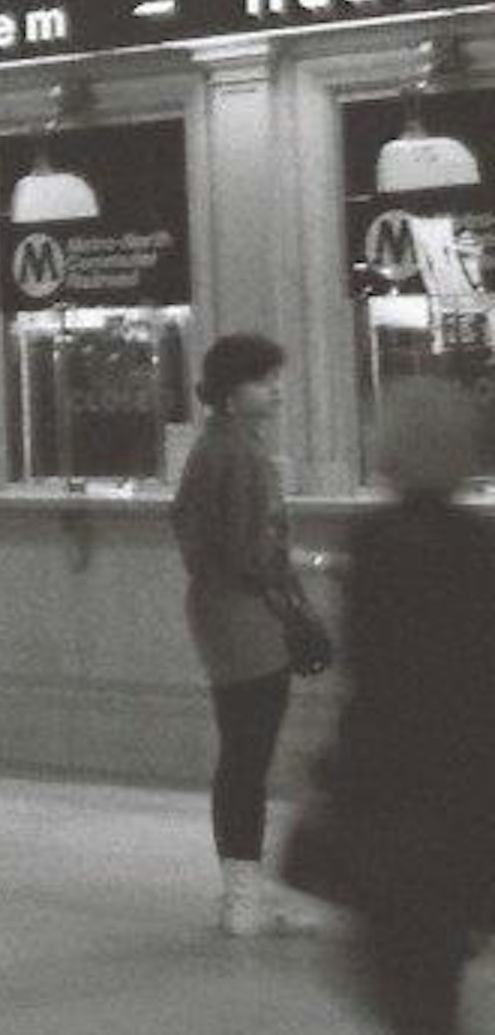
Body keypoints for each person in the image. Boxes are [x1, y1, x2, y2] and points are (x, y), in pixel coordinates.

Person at [307, 380, 495, 1035]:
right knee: (430, 978)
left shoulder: (381, 540)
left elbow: (376, 683)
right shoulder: (480, 542)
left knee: (391, 975)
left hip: (400, 800)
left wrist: (339, 779)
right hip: (470, 797)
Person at [174, 332, 329, 938]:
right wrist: (312, 566)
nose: (277, 389)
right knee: (248, 753)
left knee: (244, 751)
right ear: (233, 393)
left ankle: (245, 890)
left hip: (226, 614)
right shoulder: (235, 453)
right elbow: (248, 550)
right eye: (265, 380)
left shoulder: (217, 446)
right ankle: (243, 895)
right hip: (245, 620)